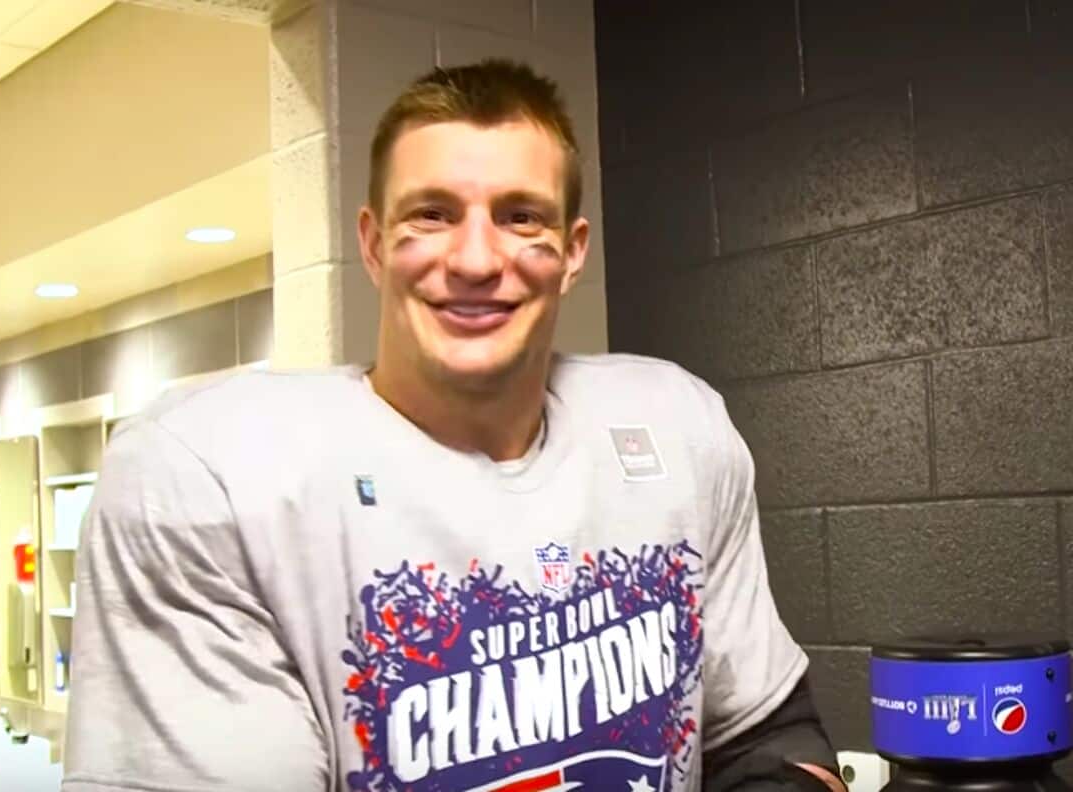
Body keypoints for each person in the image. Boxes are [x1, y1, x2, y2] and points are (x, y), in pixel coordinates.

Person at [62, 59, 846, 792]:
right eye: (432, 215)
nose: (475, 260)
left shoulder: (676, 426)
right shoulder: (207, 481)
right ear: (374, 244)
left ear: (573, 253)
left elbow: (769, 738)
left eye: (521, 217)